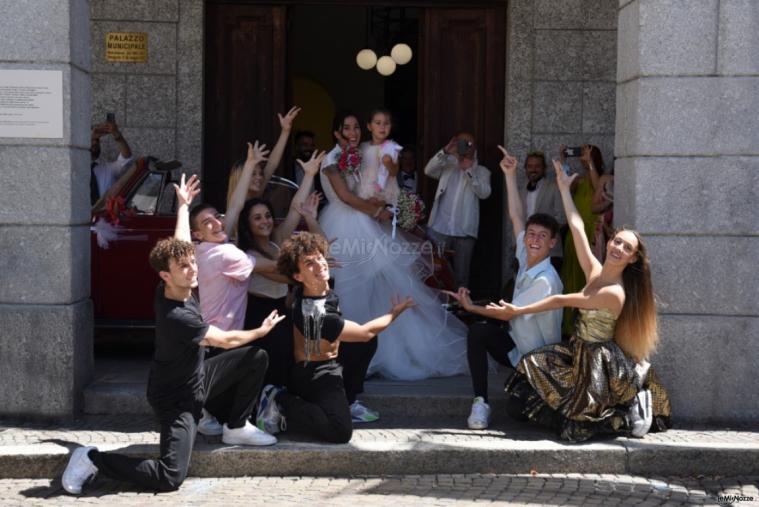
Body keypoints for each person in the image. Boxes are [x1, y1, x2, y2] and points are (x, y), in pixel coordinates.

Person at [61, 174, 285, 495]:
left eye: (192, 262)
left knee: (256, 357)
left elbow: (180, 244)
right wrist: (260, 330)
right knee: (169, 477)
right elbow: (222, 340)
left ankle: (235, 426)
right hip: (176, 400)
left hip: (198, 379)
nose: (193, 268)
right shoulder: (177, 314)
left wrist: (183, 206)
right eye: (184, 267)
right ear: (166, 275)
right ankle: (92, 459)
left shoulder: (179, 288)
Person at [492, 159, 671, 443]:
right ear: (609, 242)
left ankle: (628, 411)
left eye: (627, 247)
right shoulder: (596, 272)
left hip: (599, 363)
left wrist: (518, 310)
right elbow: (576, 228)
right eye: (617, 241)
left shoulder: (615, 291)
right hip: (577, 352)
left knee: (575, 427)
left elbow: (562, 300)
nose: (618, 247)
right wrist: (565, 189)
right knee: (526, 393)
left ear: (633, 258)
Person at [319, 111, 469, 385]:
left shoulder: (361, 155)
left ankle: (377, 352)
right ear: (336, 132)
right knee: (348, 286)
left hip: (366, 221)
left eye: (356, 128)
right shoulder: (330, 160)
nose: (353, 133)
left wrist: (384, 201)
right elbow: (345, 196)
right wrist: (375, 213)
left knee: (380, 286)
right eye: (347, 128)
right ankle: (345, 352)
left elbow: (370, 187)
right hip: (343, 226)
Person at [255, 232, 415, 443]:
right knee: (340, 432)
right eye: (309, 263)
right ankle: (280, 399)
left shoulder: (316, 288)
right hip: (314, 373)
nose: (319, 265)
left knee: (362, 348)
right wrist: (394, 313)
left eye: (320, 258)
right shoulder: (315, 313)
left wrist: (316, 260)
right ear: (297, 276)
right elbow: (365, 332)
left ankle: (346, 400)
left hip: (329, 361)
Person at [445, 146, 563, 430]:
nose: (533, 239)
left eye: (541, 236)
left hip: (539, 362)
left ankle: (545, 397)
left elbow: (509, 313)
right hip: (518, 351)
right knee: (478, 332)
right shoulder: (526, 256)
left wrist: (471, 307)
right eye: (531, 235)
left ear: (552, 244)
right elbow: (516, 217)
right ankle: (480, 403)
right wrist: (509, 175)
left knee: (518, 412)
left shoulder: (546, 280)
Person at [234, 150, 325, 425]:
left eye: (267, 216)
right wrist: (310, 273)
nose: (265, 221)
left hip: (280, 310)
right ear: (248, 225)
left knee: (290, 359)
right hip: (258, 312)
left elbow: (296, 208)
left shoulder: (276, 241)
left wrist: (309, 175)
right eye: (257, 218)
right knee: (273, 359)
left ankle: (280, 411)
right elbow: (282, 275)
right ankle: (263, 413)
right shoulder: (247, 251)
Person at [424, 132, 491, 289]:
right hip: (439, 227)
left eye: (468, 144)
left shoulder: (482, 171)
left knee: (461, 278)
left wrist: (469, 171)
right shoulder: (447, 165)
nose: (464, 146)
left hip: (465, 231)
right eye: (461, 142)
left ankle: (459, 311)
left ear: (475, 147)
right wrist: (446, 151)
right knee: (434, 272)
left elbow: (484, 193)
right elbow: (428, 170)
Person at [558, 144, 605, 335]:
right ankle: (568, 326)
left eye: (588, 154)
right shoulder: (579, 179)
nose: (583, 157)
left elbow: (597, 190)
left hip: (591, 232)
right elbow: (565, 185)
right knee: (570, 273)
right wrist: (563, 160)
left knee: (587, 275)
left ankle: (583, 326)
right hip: (575, 232)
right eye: (583, 154)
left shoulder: (600, 178)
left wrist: (590, 163)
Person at [226, 107, 301, 221]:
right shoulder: (235, 206)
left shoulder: (256, 195)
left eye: (260, 174)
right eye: (253, 174)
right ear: (241, 177)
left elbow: (272, 164)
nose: (259, 177)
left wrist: (285, 131)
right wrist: (249, 164)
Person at [518, 150, 565, 271]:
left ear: (544, 169)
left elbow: (562, 218)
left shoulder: (554, 187)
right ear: (525, 168)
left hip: (550, 251)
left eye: (537, 166)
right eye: (530, 166)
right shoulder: (522, 190)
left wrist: (544, 234)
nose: (533, 169)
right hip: (525, 250)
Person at [357, 108, 402, 207]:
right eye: (378, 123)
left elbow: (394, 172)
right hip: (366, 193)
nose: (382, 127)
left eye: (386, 123)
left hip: (385, 195)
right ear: (369, 126)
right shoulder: (362, 147)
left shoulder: (392, 147)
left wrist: (389, 163)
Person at [90, 121, 133, 204]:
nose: (95, 142)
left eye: (97, 140)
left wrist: (118, 136)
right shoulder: (74, 170)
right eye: (91, 140)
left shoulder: (108, 169)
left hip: (103, 217)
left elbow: (126, 160)